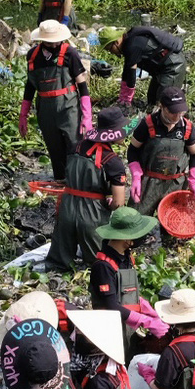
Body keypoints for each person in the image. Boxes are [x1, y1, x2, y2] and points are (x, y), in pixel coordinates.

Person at [45, 107, 126, 273]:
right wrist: (109, 203)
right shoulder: (113, 162)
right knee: (99, 263)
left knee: (57, 263)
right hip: (92, 215)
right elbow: (118, 203)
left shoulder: (76, 147)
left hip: (67, 207)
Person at [90, 208, 169, 357]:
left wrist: (146, 308)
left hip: (127, 322)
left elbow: (126, 292)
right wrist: (146, 322)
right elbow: (111, 306)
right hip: (111, 327)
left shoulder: (126, 256)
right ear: (127, 239)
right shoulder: (103, 267)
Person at [20, 21, 90, 183]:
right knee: (54, 148)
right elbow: (30, 86)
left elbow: (82, 84)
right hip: (45, 109)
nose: (55, 43)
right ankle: (60, 182)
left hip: (68, 107)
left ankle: (78, 182)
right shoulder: (33, 55)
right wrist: (23, 114)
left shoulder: (69, 53)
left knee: (74, 145)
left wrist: (86, 116)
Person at [126, 91, 195, 225]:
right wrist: (136, 176)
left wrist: (194, 182)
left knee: (172, 225)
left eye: (181, 112)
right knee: (134, 224)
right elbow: (132, 150)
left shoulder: (187, 128)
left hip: (175, 184)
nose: (177, 116)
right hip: (149, 183)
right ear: (162, 107)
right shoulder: (147, 125)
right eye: (173, 112)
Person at [114, 26, 186, 112]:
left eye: (109, 48)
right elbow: (127, 71)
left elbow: (131, 74)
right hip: (160, 70)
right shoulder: (128, 43)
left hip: (173, 67)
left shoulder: (132, 45)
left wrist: (127, 98)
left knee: (163, 105)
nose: (110, 52)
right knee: (151, 101)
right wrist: (123, 97)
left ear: (116, 42)